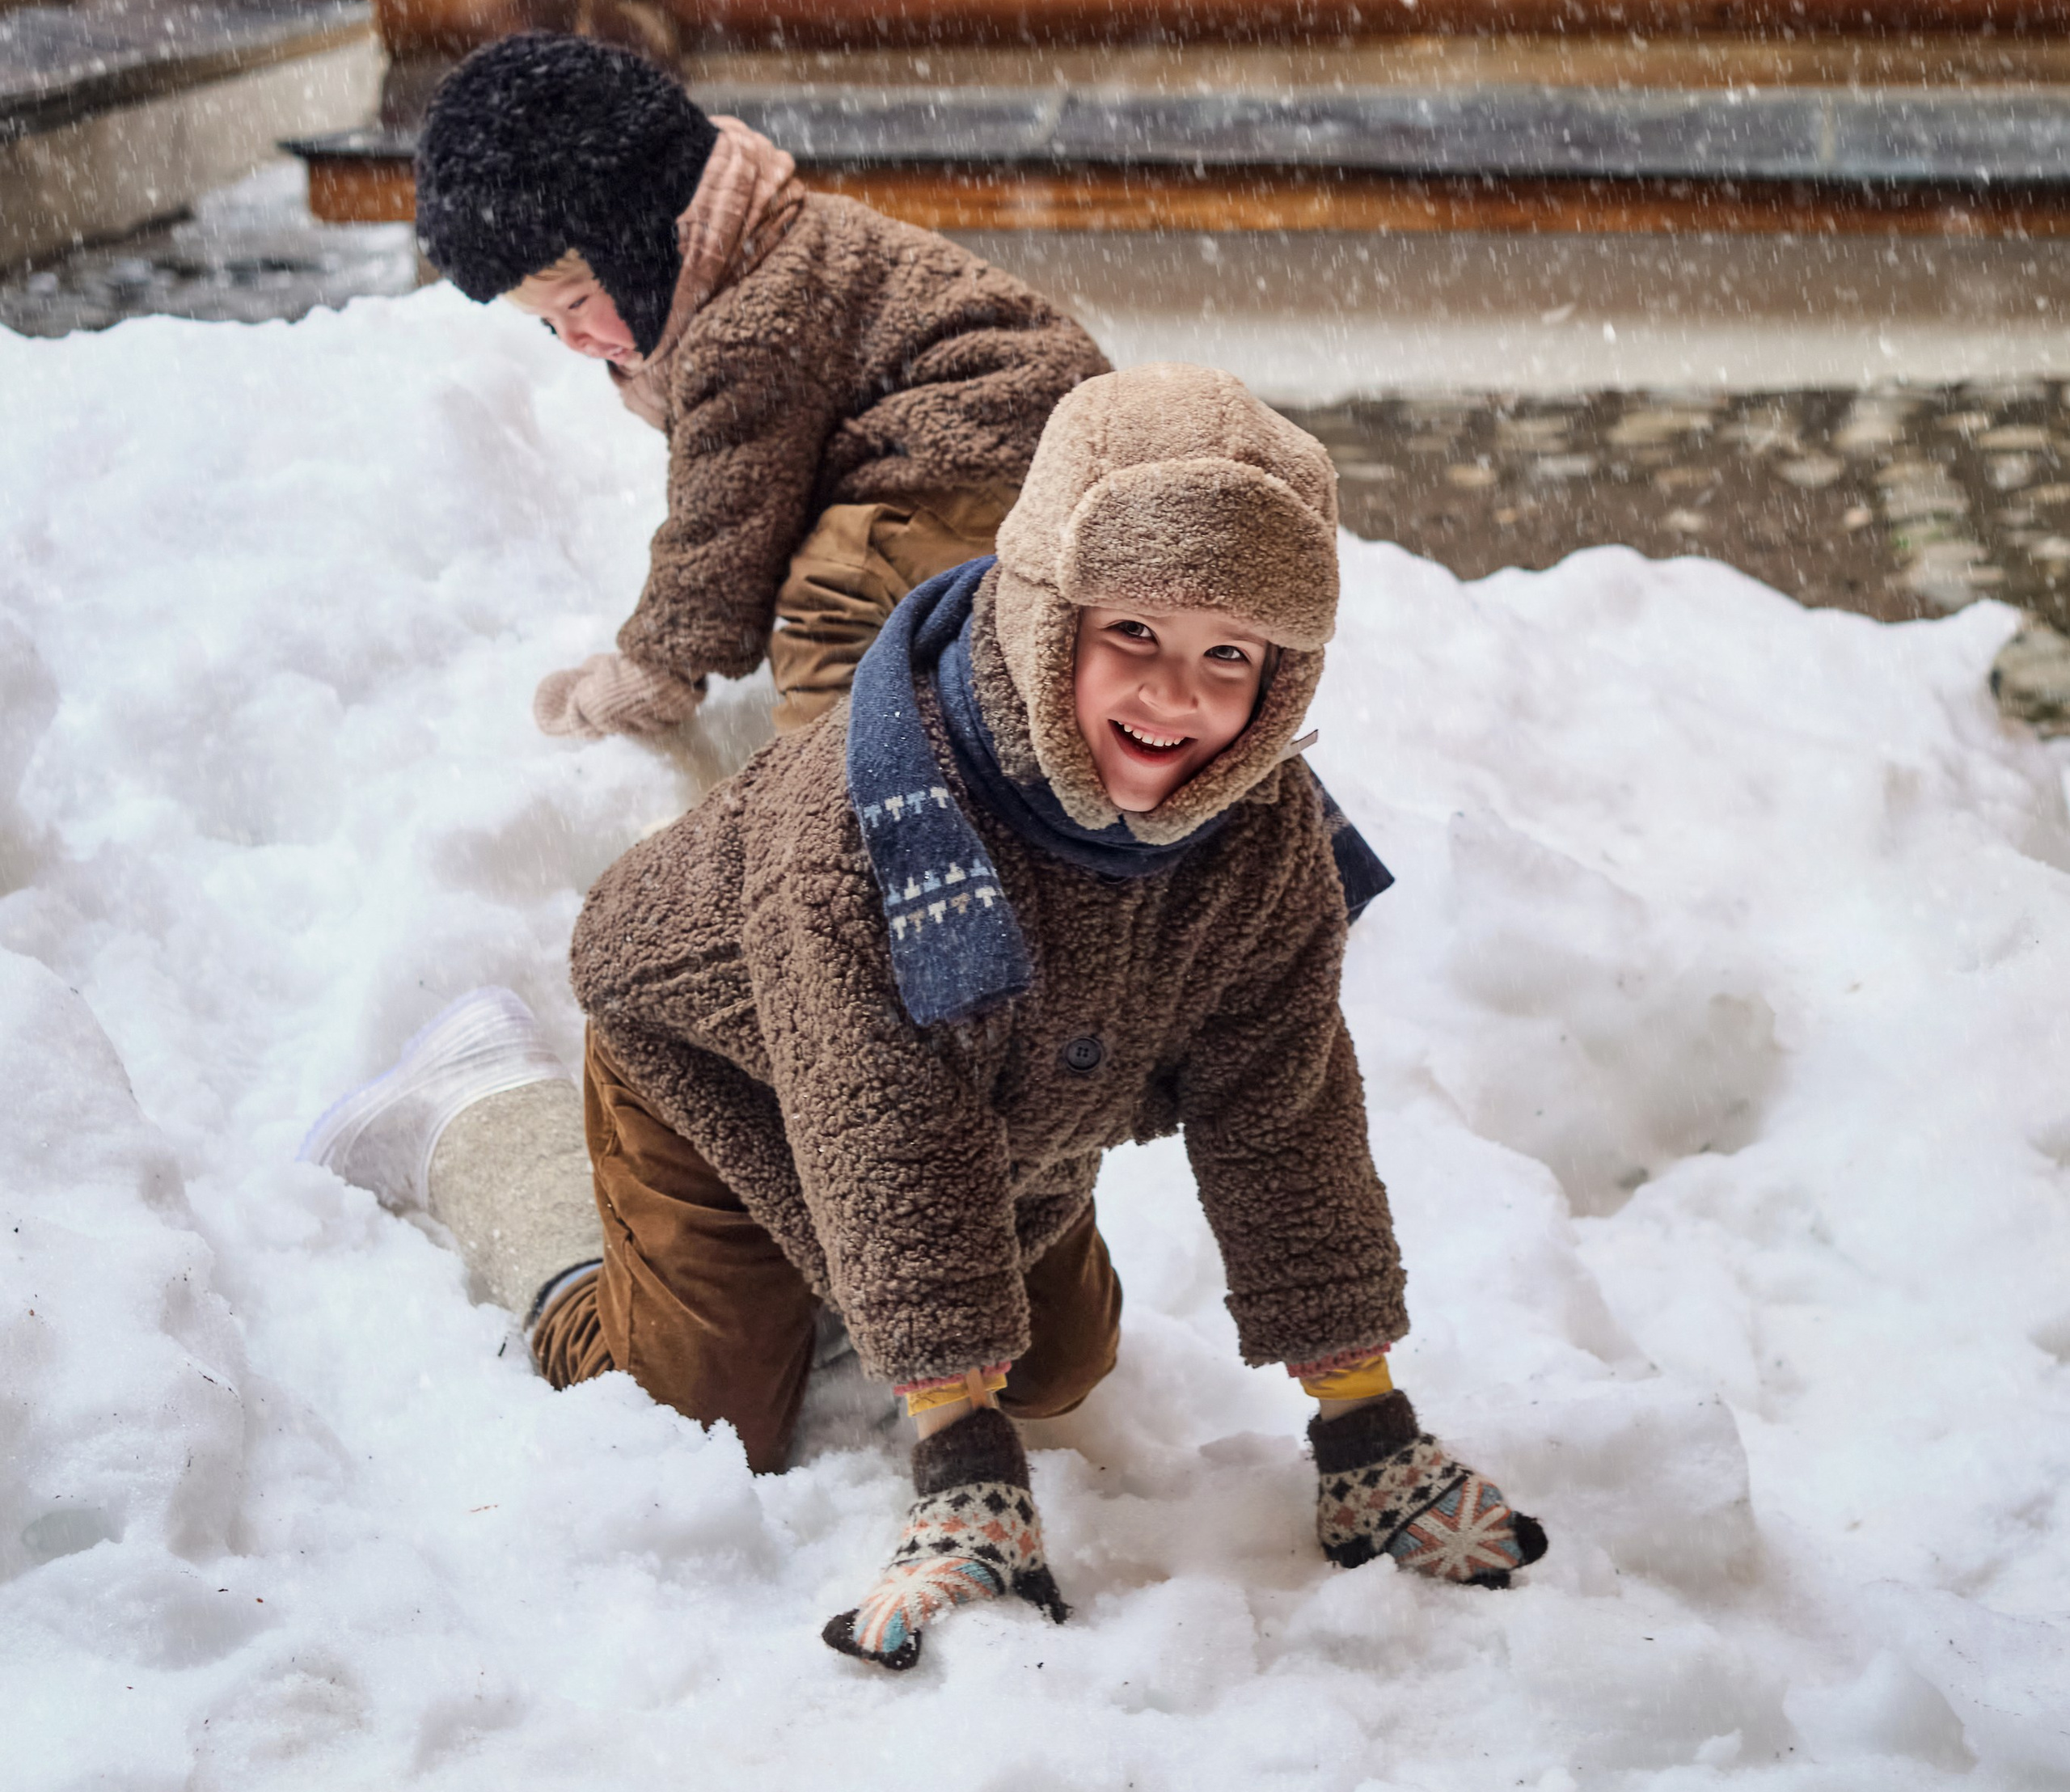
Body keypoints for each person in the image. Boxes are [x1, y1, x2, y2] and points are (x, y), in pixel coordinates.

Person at [304, 365, 1544, 1670]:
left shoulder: (1260, 838)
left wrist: (1364, 1426)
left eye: (1227, 654)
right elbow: (884, 1131)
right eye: (1134, 632)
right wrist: (963, 1466)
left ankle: (874, 1306)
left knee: (1056, 1368)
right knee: (706, 1408)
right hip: (724, 1066)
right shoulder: (874, 828)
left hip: (1002, 1103)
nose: (1175, 695)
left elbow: (1284, 1113)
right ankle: (482, 1119)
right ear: (1045, 613)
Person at [412, 32, 1109, 740]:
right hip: (1033, 453)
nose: (574, 340)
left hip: (1017, 455)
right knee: (876, 575)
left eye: (577, 303)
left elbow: (728, 514)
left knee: (837, 592)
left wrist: (657, 668)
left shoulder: (749, 324)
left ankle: (841, 787)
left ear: (639, 244)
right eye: (548, 324)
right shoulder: (752, 251)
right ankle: (964, 705)